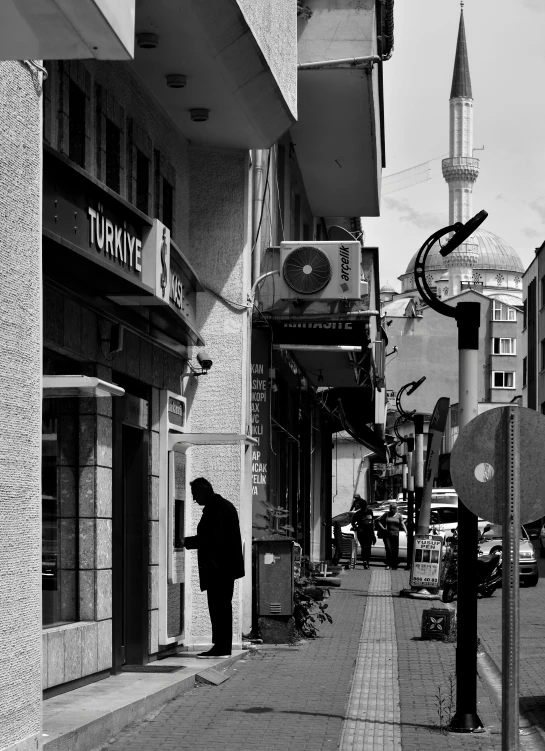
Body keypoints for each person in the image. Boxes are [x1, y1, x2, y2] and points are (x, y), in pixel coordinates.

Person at [183, 477, 244, 658]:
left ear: (204, 492)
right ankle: (222, 646)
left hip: (219, 568)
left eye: (195, 495)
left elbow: (212, 539)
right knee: (221, 607)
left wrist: (186, 541)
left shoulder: (217, 509)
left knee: (219, 608)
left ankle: (221, 647)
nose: (195, 500)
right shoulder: (224, 506)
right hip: (224, 568)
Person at [378, 501, 407, 570]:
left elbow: (402, 524)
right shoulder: (386, 514)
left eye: (393, 508)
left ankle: (394, 565)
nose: (392, 510)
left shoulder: (399, 516)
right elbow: (379, 521)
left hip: (396, 534)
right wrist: (383, 528)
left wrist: (406, 531)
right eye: (391, 508)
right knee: (388, 549)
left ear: (396, 509)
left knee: (395, 550)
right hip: (387, 534)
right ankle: (388, 564)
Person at [351, 498, 376, 569]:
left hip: (369, 532)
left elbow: (372, 523)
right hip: (362, 533)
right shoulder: (358, 513)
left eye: (365, 506)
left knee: (369, 548)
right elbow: (353, 522)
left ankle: (367, 561)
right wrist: (358, 528)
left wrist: (373, 535)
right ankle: (364, 561)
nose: (364, 507)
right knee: (364, 547)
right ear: (361, 506)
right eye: (363, 506)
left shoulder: (370, 511)